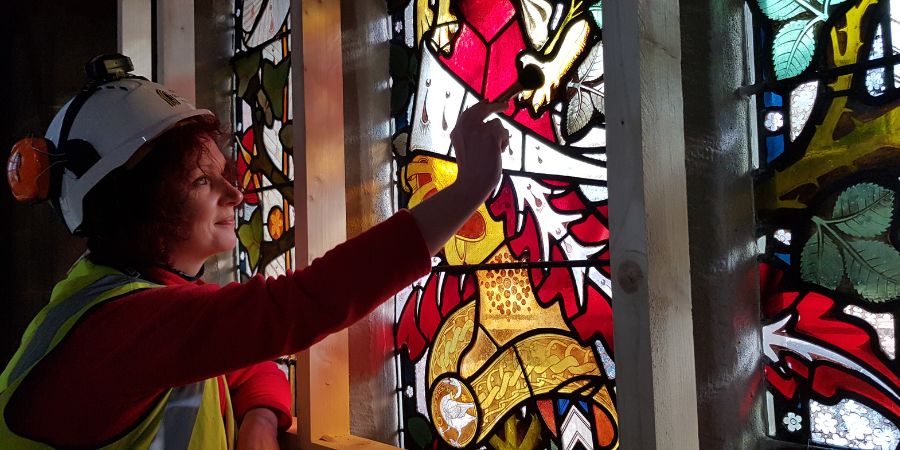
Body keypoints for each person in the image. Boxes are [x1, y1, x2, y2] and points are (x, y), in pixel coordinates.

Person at [0, 55, 509, 449]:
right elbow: (300, 304)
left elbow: (244, 362)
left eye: (224, 172)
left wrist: (261, 416)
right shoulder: (123, 327)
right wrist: (468, 191)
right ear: (136, 205)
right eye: (202, 180)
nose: (237, 194)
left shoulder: (119, 291)